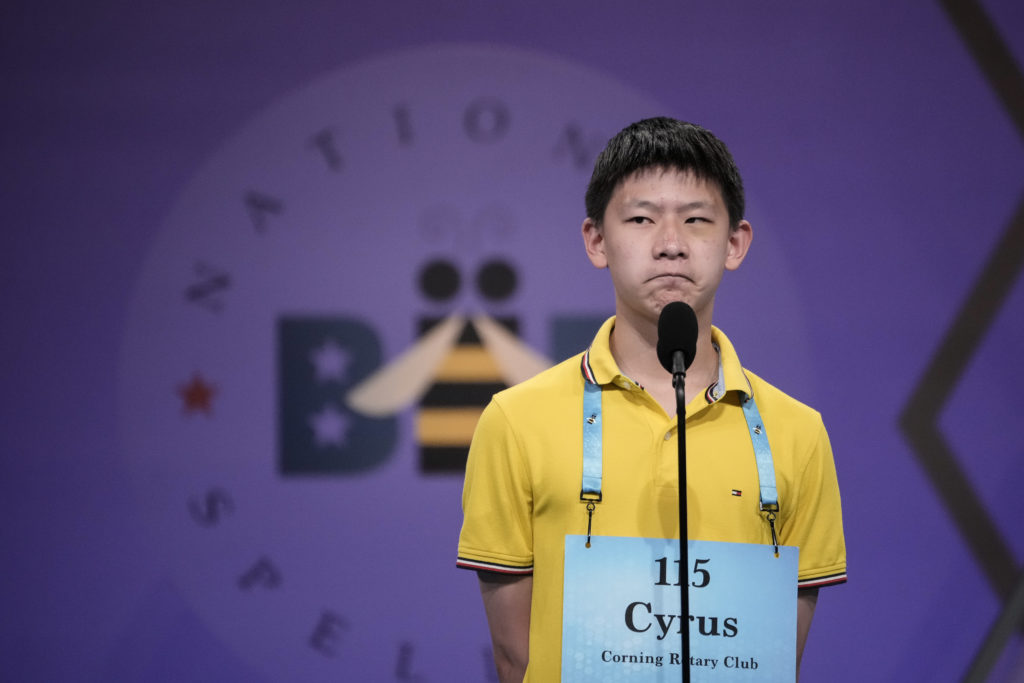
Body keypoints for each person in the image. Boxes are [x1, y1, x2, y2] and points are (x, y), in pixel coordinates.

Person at [457, 117, 847, 682]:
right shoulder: (516, 421)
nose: (670, 245)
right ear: (597, 240)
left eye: (696, 220)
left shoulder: (798, 433)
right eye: (641, 219)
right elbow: (516, 658)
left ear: (735, 243)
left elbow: (776, 658)